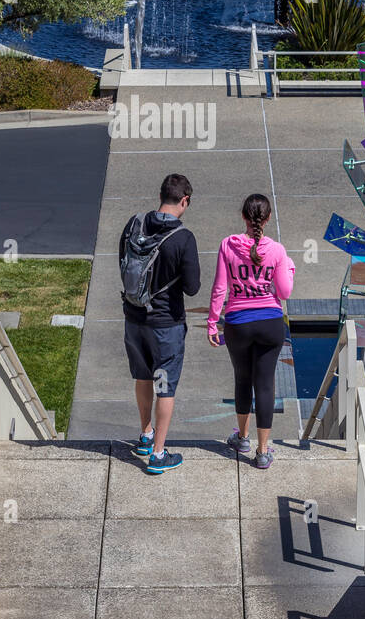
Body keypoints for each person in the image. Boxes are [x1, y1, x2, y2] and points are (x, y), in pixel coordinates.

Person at [119, 173, 200, 475]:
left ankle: (145, 434)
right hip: (166, 325)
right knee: (165, 387)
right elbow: (192, 287)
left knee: (142, 376)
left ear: (161, 195)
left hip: (134, 318)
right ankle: (157, 454)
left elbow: (123, 264)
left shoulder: (134, 224)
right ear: (184, 200)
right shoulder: (183, 238)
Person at [207, 193, 295, 469]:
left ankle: (242, 437)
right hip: (270, 322)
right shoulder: (278, 251)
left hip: (238, 323)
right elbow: (284, 291)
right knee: (265, 384)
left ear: (243, 217)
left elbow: (220, 288)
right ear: (267, 219)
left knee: (243, 379)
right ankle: (262, 451)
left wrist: (212, 322)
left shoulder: (227, 245)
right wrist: (289, 268)